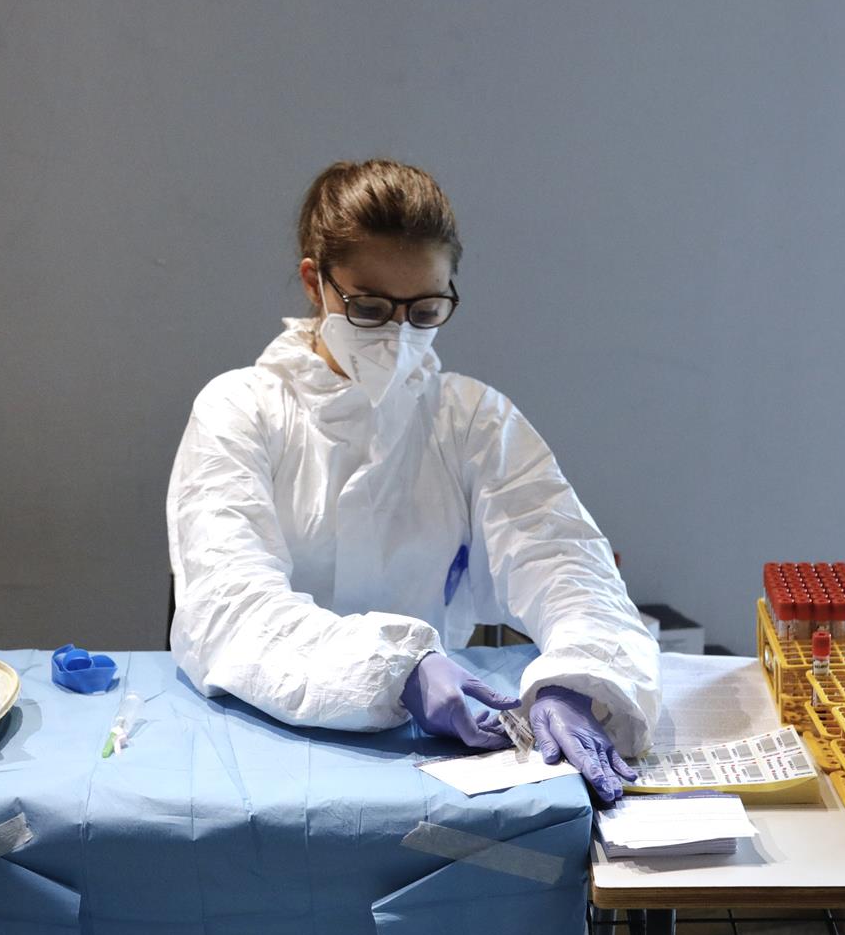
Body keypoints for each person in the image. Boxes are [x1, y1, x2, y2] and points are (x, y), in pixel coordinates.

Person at [166, 159, 659, 804]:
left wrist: (580, 677)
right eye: (368, 307)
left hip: (438, 756)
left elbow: (566, 566)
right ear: (316, 284)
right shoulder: (239, 411)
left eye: (425, 309)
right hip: (256, 750)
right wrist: (396, 669)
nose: (398, 336)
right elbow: (230, 606)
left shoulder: (472, 420)